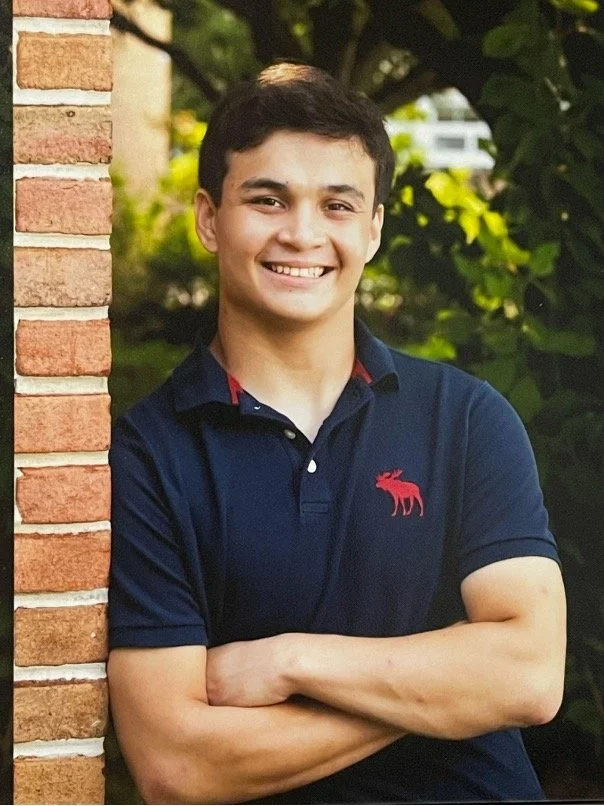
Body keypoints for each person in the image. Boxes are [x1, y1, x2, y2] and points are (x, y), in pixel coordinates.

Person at [108, 63, 566, 804]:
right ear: (208, 217)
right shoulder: (150, 453)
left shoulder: (467, 418)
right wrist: (442, 691)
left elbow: (531, 675)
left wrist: (290, 662)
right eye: (267, 199)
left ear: (375, 227)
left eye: (338, 204)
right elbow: (177, 766)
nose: (303, 233)